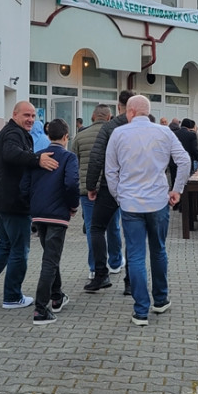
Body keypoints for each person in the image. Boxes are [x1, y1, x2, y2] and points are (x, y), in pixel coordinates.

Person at [105, 95, 190, 326]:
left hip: (131, 203)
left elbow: (110, 171)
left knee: (135, 255)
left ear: (130, 111)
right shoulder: (163, 132)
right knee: (159, 250)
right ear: (147, 111)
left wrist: (118, 196)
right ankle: (160, 300)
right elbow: (184, 160)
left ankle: (140, 311)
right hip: (158, 200)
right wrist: (177, 190)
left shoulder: (119, 134)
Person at [0, 102, 57, 309]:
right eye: (26, 115)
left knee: (6, 245)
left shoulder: (14, 132)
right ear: (14, 114)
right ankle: (12, 296)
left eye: (34, 116)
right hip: (12, 203)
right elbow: (10, 153)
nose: (31, 119)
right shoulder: (12, 133)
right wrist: (37, 160)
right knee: (19, 249)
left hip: (0, 200)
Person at [20, 119, 79, 325]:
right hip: (57, 214)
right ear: (66, 136)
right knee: (50, 260)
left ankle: (57, 296)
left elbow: (24, 186)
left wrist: (33, 205)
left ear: (48, 135)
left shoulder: (38, 158)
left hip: (39, 213)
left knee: (50, 256)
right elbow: (71, 183)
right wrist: (72, 206)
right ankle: (40, 309)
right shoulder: (69, 157)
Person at [82, 90, 134, 294]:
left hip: (109, 185)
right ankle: (131, 281)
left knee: (96, 228)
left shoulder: (110, 126)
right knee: (133, 232)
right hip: (137, 186)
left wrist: (91, 185)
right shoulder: (150, 125)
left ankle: (101, 274)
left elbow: (96, 157)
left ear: (119, 107)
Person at [71, 104, 122, 281]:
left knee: (94, 229)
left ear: (93, 117)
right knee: (113, 227)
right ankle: (115, 262)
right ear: (109, 117)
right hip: (111, 188)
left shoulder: (80, 136)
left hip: (87, 190)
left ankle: (94, 267)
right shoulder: (115, 133)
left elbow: (74, 163)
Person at [170, 117, 198, 206]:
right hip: (186, 163)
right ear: (190, 126)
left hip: (174, 162)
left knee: (174, 182)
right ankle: (185, 204)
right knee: (186, 183)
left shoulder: (174, 134)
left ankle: (175, 203)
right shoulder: (191, 135)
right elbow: (194, 150)